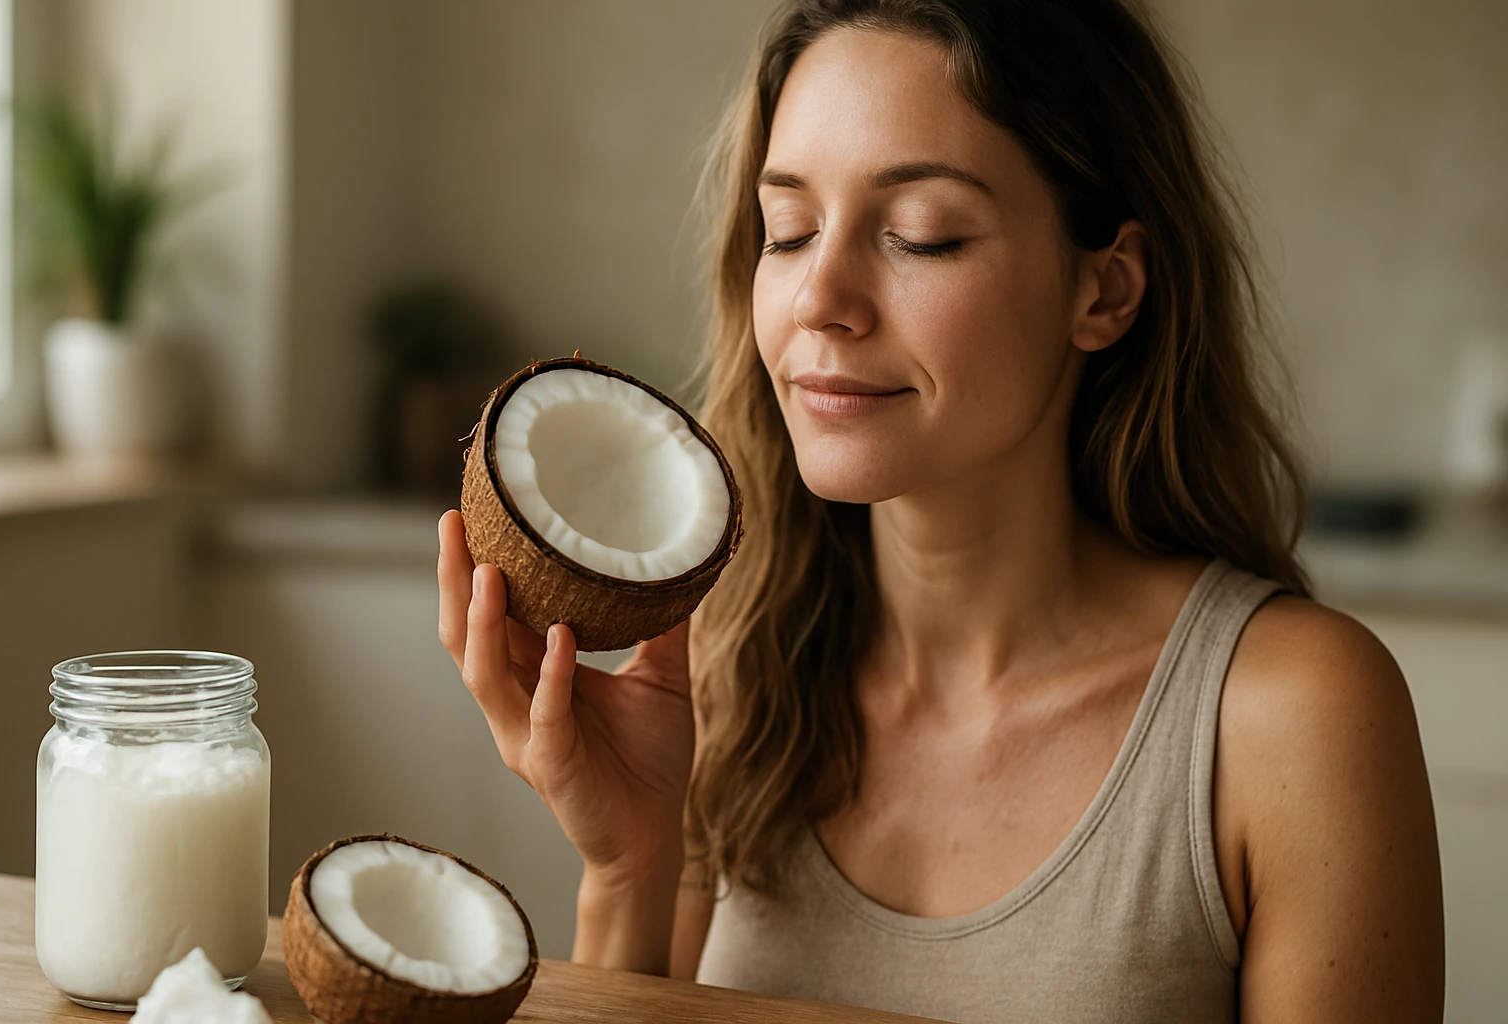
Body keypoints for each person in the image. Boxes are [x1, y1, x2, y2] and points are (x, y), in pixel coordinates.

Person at [436, 1, 1445, 1020]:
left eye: (922, 236)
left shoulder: (1292, 717)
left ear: (1106, 290)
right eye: (786, 230)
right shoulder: (730, 672)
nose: (820, 295)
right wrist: (627, 866)